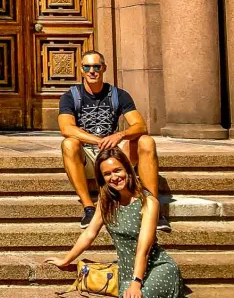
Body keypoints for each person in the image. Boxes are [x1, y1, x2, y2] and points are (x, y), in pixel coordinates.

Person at [45, 148, 184, 298]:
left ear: (128, 170)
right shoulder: (106, 202)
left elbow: (144, 248)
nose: (114, 177)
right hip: (126, 271)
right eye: (107, 174)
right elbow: (89, 234)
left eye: (117, 170)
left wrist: (136, 282)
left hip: (157, 267)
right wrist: (66, 260)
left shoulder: (148, 202)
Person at [59, 50, 168, 231]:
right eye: (87, 67)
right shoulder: (70, 96)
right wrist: (97, 140)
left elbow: (140, 126)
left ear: (104, 68)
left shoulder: (118, 95)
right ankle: (88, 208)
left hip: (113, 154)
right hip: (86, 155)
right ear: (81, 70)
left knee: (146, 141)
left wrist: (119, 135)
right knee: (69, 144)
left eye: (96, 66)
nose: (92, 71)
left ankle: (152, 209)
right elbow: (66, 128)